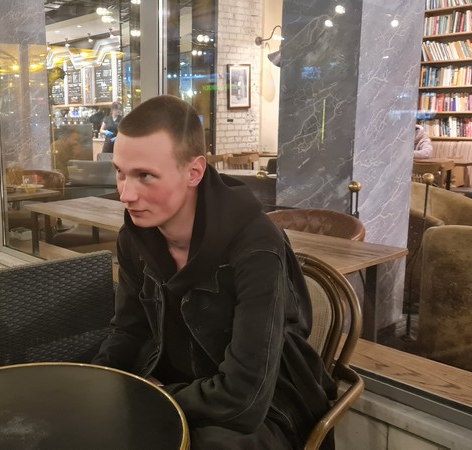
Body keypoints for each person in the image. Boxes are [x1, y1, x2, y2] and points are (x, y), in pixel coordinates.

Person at [92, 95, 335, 449]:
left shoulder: (256, 244)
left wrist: (154, 398)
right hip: (177, 389)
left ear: (194, 172)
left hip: (266, 409)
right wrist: (98, 383)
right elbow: (129, 330)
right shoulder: (135, 237)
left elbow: (244, 398)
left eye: (145, 176)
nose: (126, 194)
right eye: (120, 172)